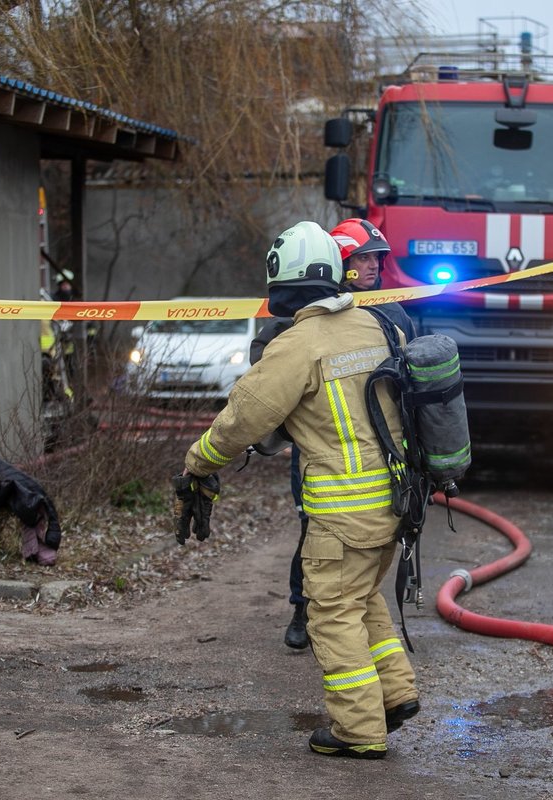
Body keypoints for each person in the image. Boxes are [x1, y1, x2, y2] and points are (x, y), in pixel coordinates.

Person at [180, 220, 420, 759]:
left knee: (331, 611)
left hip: (343, 514)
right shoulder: (377, 326)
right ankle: (397, 694)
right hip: (396, 503)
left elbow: (241, 421)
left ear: (281, 285)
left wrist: (197, 463)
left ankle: (359, 730)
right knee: (360, 598)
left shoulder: (296, 346)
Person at [251, 218, 415, 650]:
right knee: (315, 529)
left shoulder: (391, 311)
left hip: (380, 450)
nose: (373, 266)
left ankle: (353, 618)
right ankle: (304, 608)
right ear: (339, 262)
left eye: (377, 258)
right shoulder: (297, 319)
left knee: (374, 538)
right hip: (319, 449)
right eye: (362, 258)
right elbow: (266, 376)